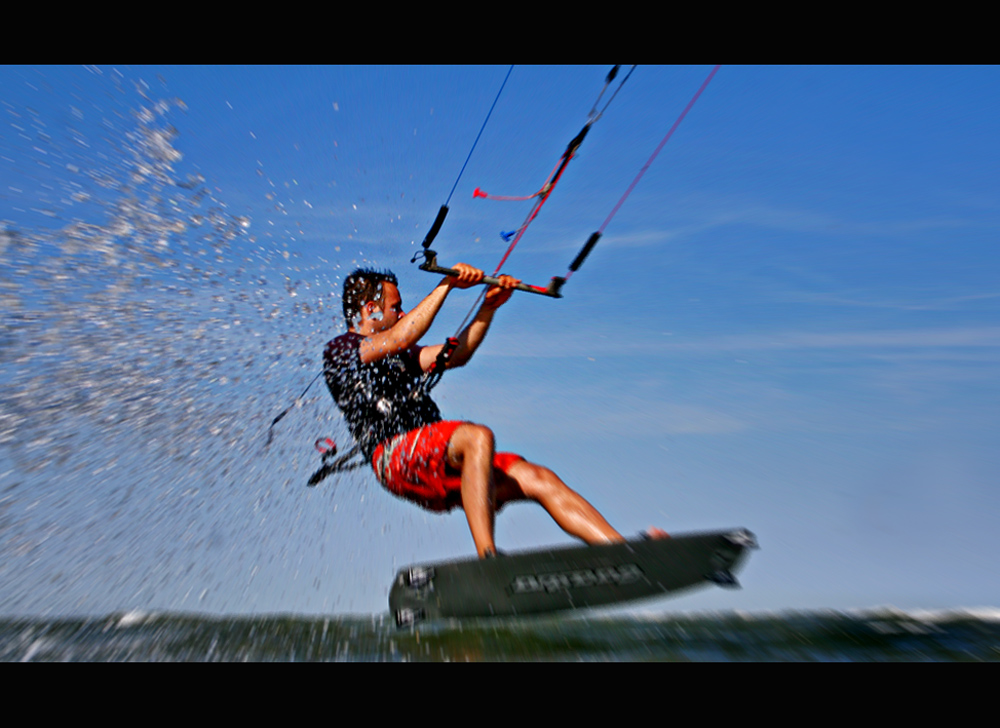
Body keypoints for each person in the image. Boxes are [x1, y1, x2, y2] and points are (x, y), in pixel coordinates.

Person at [323, 263, 667, 558]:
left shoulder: (401, 354)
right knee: (477, 437)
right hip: (397, 459)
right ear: (370, 309)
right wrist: (447, 285)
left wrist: (488, 307)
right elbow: (399, 336)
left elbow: (455, 356)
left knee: (536, 477)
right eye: (396, 306)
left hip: (440, 460)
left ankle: (621, 552)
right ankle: (489, 558)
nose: (401, 312)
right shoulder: (341, 350)